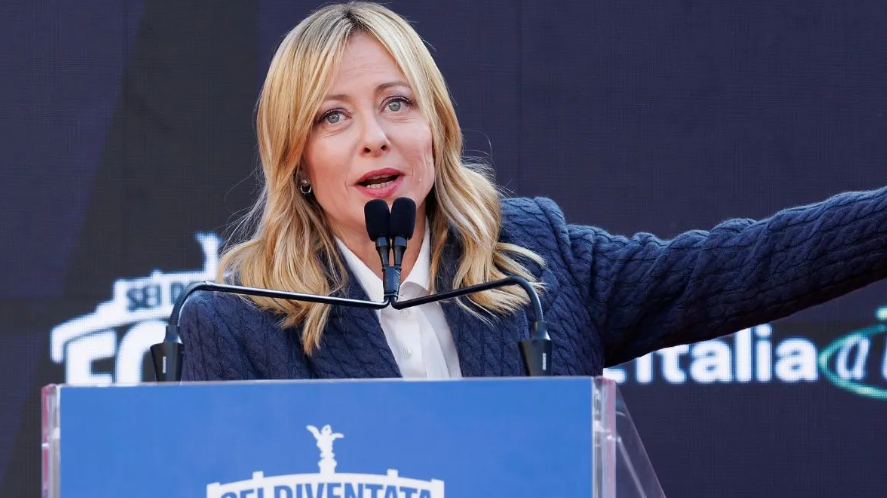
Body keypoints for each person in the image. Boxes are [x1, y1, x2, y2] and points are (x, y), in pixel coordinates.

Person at [179, 1, 887, 381]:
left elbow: (734, 267)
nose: (375, 137)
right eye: (333, 117)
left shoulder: (531, 254)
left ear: (437, 128)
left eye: (397, 103)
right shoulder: (237, 320)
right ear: (297, 158)